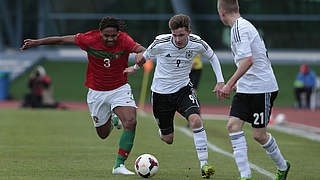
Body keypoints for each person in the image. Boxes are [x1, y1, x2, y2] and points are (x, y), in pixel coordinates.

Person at [20, 17, 146, 175]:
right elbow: (61, 40)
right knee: (103, 134)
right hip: (96, 92)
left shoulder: (125, 40)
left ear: (118, 33)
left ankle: (119, 165)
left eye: (113, 36)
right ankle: (114, 120)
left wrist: (140, 56)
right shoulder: (88, 39)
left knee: (131, 121)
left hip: (119, 88)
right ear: (100, 33)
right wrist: (37, 42)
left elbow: (142, 49)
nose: (110, 39)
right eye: (106, 36)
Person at [125, 14, 225, 178]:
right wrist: (134, 68)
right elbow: (146, 56)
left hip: (183, 90)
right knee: (168, 138)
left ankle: (204, 164)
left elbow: (213, 57)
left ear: (189, 32)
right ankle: (162, 131)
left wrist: (220, 81)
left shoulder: (197, 42)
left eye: (181, 35)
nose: (178, 39)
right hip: (160, 94)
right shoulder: (161, 42)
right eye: (175, 35)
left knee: (196, 120)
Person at [217, 0, 290, 180]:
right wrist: (236, 83)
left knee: (259, 135)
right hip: (246, 88)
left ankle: (282, 165)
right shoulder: (239, 26)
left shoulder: (239, 28)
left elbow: (248, 60)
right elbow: (249, 60)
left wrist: (228, 83)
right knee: (233, 126)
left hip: (261, 88)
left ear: (221, 12)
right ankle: (245, 175)